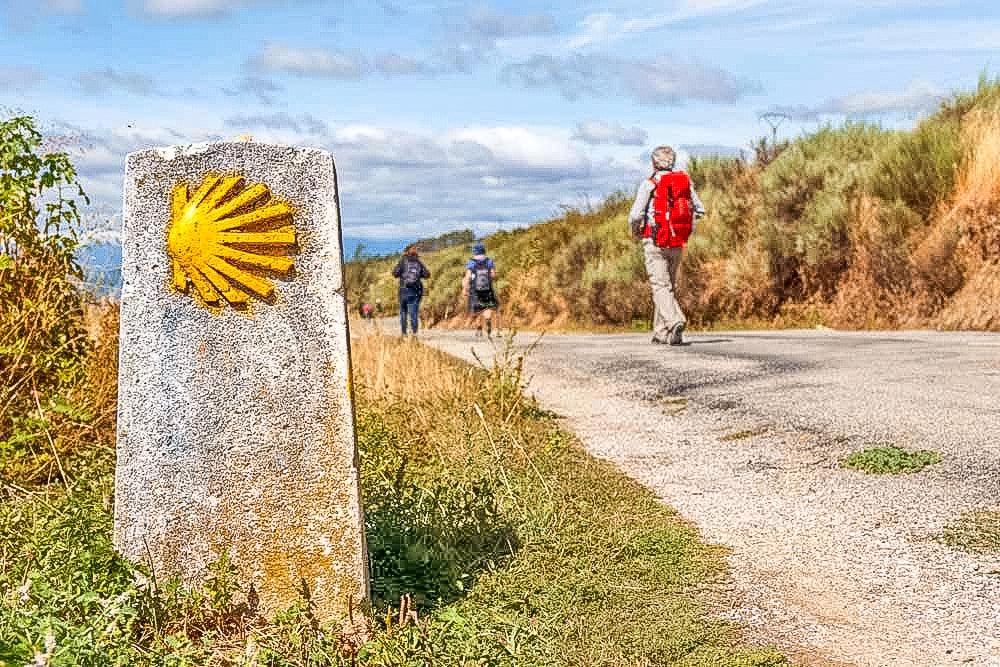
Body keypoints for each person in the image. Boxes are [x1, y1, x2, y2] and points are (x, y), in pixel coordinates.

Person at [628, 145, 705, 346]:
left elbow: (636, 215)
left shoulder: (649, 184)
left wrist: (636, 231)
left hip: (655, 242)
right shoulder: (684, 182)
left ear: (654, 163)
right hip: (677, 242)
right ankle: (661, 333)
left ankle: (675, 321)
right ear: (673, 162)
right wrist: (683, 227)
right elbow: (699, 209)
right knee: (667, 287)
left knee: (660, 286)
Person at [462, 242, 499, 338]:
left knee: (477, 308)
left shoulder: (471, 262)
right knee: (487, 307)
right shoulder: (489, 261)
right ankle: (488, 320)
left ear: (474, 252)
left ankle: (479, 328)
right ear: (484, 251)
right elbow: (494, 275)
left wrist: (465, 288)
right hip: (487, 288)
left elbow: (468, 276)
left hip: (475, 289)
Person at [392, 245, 430, 335]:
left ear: (406, 252)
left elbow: (395, 273)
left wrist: (402, 274)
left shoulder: (402, 261)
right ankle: (414, 334)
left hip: (403, 291)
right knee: (414, 314)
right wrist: (418, 275)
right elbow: (427, 274)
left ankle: (404, 334)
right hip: (415, 292)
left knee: (403, 312)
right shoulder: (418, 262)